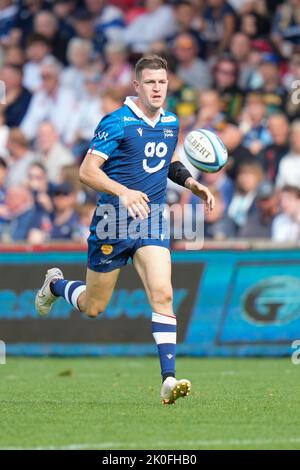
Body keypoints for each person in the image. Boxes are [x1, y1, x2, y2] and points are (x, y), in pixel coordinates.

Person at [35, 55, 214, 404]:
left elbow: (166, 162)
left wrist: (192, 183)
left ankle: (168, 379)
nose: (158, 88)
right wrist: (123, 191)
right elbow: (87, 171)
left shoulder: (172, 121)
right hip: (112, 221)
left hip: (151, 218)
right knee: (93, 307)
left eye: (162, 82)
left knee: (163, 293)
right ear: (137, 85)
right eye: (150, 82)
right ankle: (55, 285)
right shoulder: (116, 122)